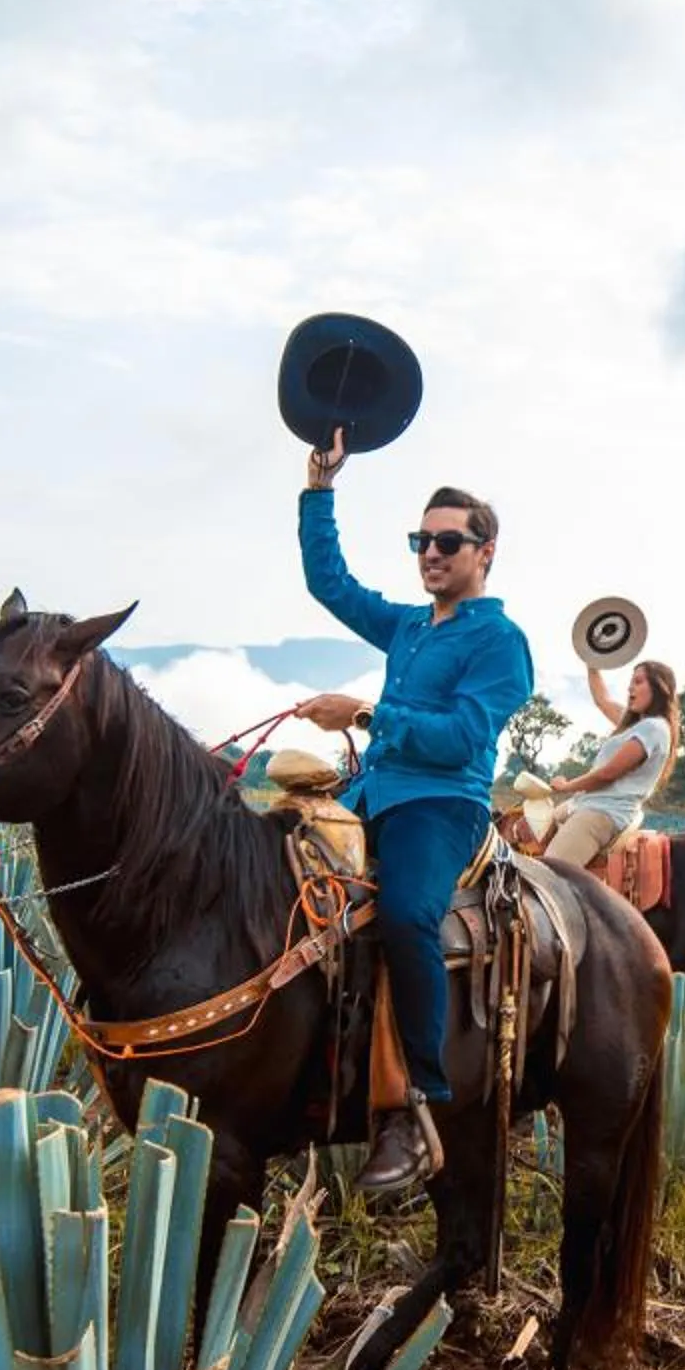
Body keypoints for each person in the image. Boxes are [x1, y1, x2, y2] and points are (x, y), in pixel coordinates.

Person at [294, 427, 535, 1194]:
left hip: (441, 803)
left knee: (404, 916)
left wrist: (367, 716)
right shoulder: (405, 625)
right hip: (368, 792)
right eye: (420, 541)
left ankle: (417, 1105)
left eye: (447, 542)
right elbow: (331, 586)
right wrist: (319, 493)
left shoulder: (501, 640)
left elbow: (464, 735)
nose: (430, 554)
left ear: (485, 552)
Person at [545, 660, 680, 867]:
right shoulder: (636, 724)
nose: (630, 688)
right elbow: (602, 699)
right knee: (528, 827)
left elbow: (608, 773)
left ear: (659, 687)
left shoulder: (654, 727)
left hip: (603, 812)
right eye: (630, 682)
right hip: (584, 803)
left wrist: (566, 786)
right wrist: (591, 660)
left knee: (546, 872)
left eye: (638, 681)